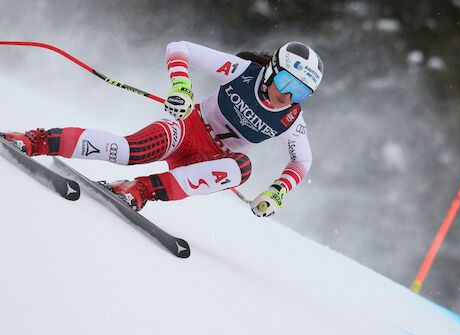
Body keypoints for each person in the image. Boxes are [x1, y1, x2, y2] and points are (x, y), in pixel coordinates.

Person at [1, 41, 323, 217]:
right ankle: (35, 141)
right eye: (285, 82)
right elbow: (180, 47)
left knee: (242, 167)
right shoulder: (243, 72)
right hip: (186, 128)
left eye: (301, 93)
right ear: (271, 71)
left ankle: (140, 189)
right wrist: (181, 86)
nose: (288, 96)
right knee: (129, 151)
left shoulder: (291, 120)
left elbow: (301, 161)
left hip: (207, 162)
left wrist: (277, 192)